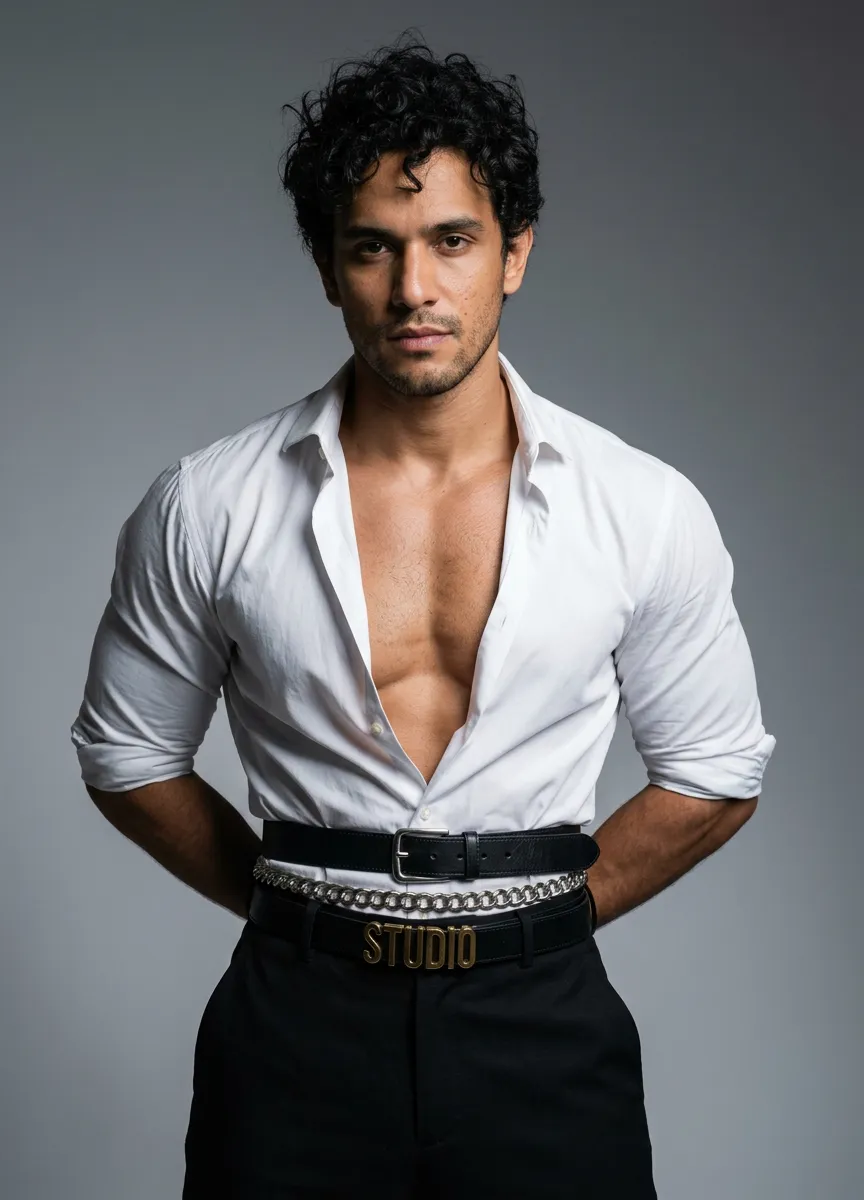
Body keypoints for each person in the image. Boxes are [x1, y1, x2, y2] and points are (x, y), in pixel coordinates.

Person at [70, 35, 776, 1199]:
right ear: (326, 265)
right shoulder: (209, 503)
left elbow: (714, 772)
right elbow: (126, 755)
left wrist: (534, 924)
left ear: (514, 253)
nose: (413, 289)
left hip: (540, 1026)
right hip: (294, 1028)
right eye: (372, 247)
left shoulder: (640, 508)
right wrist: (296, 909)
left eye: (451, 240)